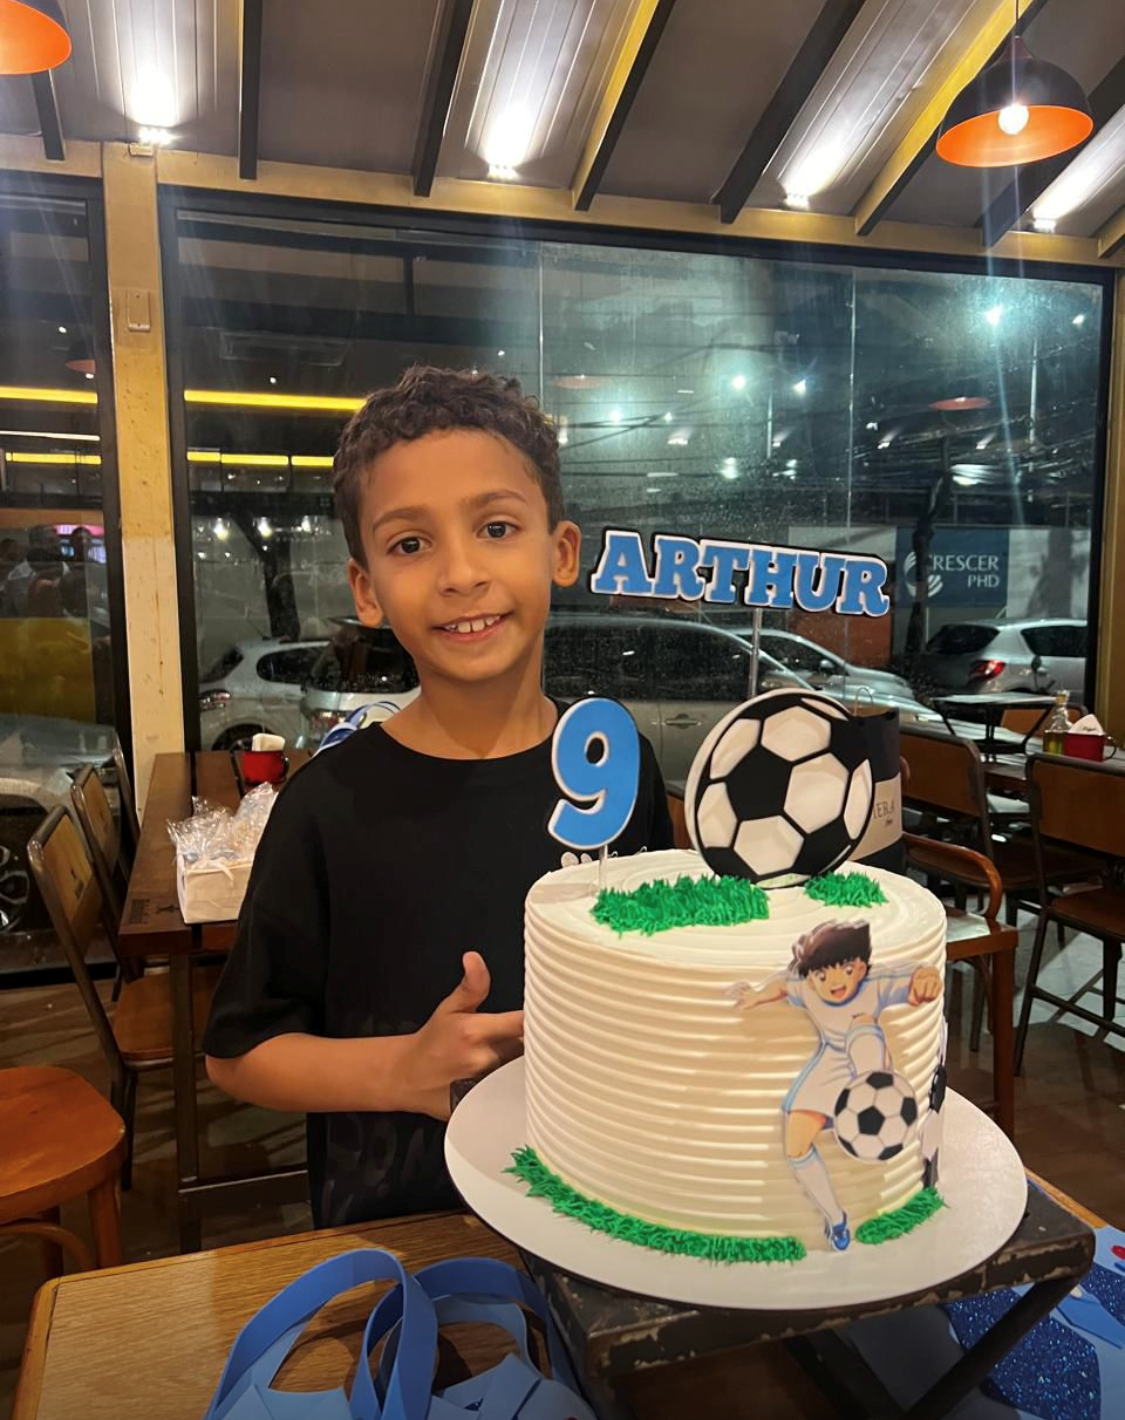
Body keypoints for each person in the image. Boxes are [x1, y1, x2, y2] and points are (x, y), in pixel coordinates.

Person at [204, 366, 673, 1227]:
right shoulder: (328, 805)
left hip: (604, 1204)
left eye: (495, 528)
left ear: (560, 551)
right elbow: (238, 1053)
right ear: (367, 590)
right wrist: (403, 1070)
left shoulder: (621, 768)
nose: (459, 573)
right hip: (405, 1229)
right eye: (411, 544)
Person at [729, 921, 942, 1251]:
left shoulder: (875, 984)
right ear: (810, 977)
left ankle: (871, 1088)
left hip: (869, 1057)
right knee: (796, 1142)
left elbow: (914, 976)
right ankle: (835, 1218)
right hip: (832, 1063)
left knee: (862, 1022)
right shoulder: (808, 988)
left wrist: (926, 979)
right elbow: (783, 984)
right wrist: (756, 996)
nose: (834, 982)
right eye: (821, 975)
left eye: (846, 969)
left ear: (862, 967)